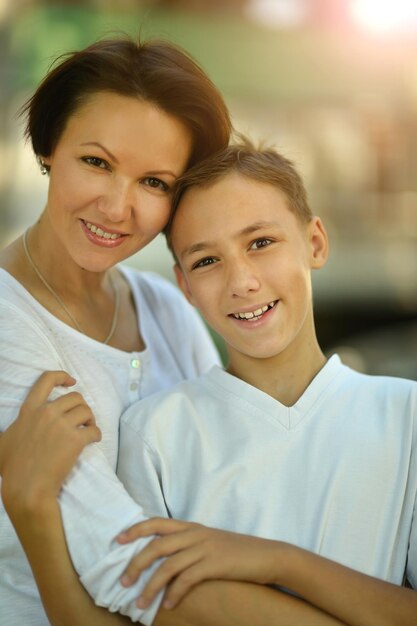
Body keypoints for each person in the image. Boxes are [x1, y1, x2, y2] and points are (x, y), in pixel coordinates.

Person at [0, 36, 342, 626]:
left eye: (155, 183)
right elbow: (131, 570)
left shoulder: (165, 305)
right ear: (49, 147)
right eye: (96, 162)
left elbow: (235, 491)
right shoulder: (10, 324)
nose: (116, 207)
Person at [3, 140, 416, 626]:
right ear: (185, 288)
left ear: (315, 243)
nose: (241, 281)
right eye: (206, 261)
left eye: (260, 242)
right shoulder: (154, 435)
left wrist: (277, 560)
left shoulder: (405, 416)